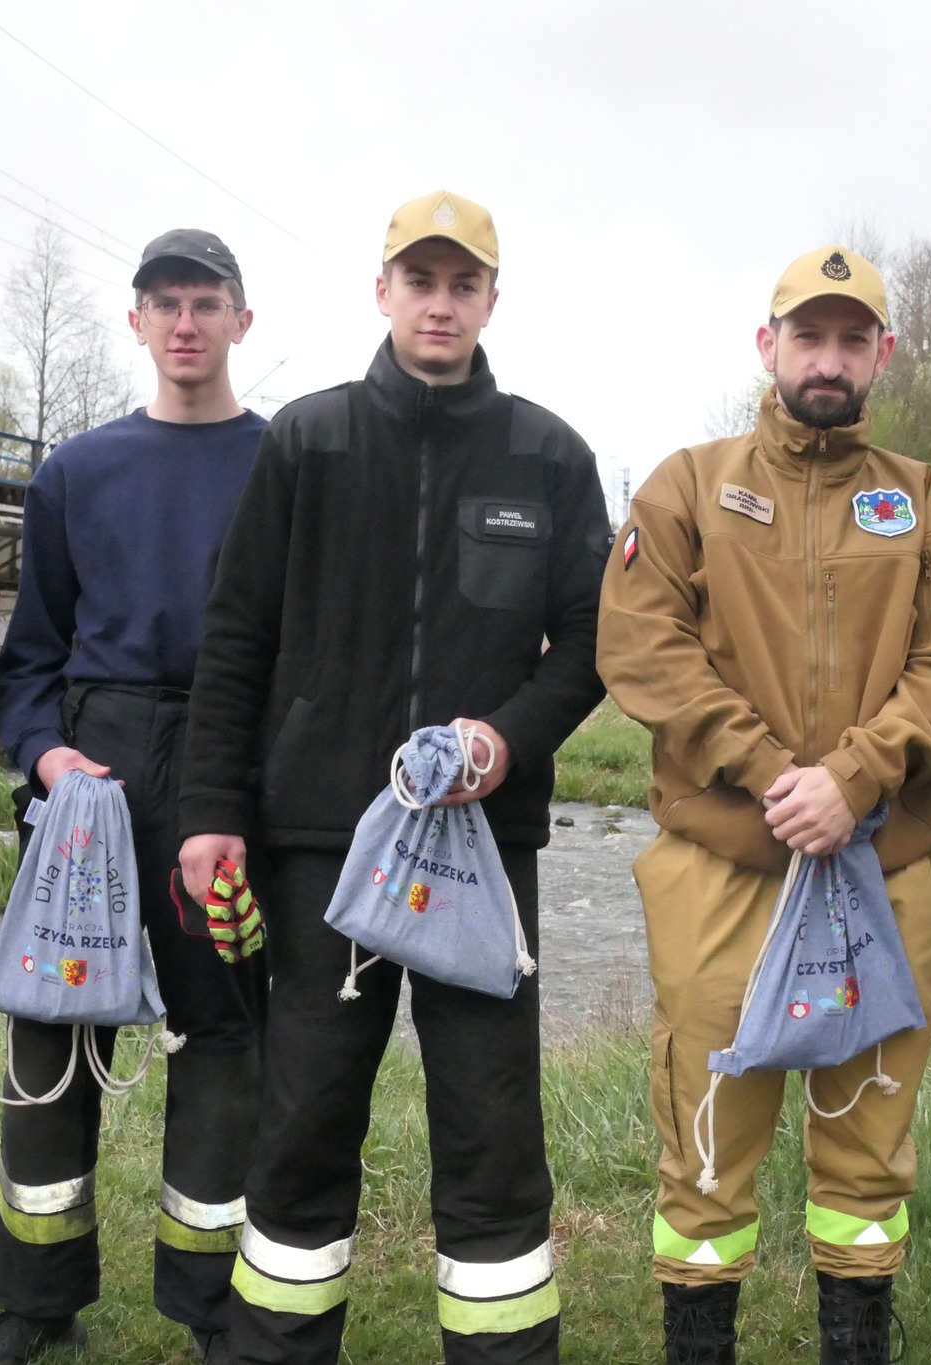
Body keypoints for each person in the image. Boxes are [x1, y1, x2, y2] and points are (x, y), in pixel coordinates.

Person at [175, 189, 609, 1365]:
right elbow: (236, 639)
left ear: (491, 300)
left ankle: (501, 1351)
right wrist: (211, 811)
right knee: (305, 1112)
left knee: (490, 1124)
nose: (439, 303)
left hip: (482, 850)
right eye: (419, 280)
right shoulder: (304, 442)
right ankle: (274, 1348)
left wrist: (503, 741)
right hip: (320, 843)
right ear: (381, 291)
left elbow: (592, 644)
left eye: (462, 283)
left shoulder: (549, 455)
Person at [595, 245, 931, 1365]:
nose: (828, 359)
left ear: (883, 354)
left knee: (867, 1144)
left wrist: (853, 780)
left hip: (890, 863)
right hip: (725, 863)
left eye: (851, 339)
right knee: (708, 1140)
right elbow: (643, 650)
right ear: (766, 346)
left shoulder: (920, 500)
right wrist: (774, 774)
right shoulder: (685, 485)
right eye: (807, 336)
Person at [0, 229, 269, 1365]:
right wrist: (44, 758)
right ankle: (36, 1301)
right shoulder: (74, 472)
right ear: (135, 322)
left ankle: (211, 1305)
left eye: (206, 302)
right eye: (164, 303)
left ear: (241, 321)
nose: (185, 322)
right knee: (50, 1029)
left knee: (221, 1034)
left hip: (227, 775)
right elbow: (30, 656)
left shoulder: (284, 464)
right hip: (92, 777)